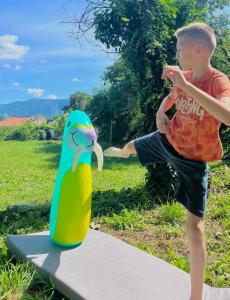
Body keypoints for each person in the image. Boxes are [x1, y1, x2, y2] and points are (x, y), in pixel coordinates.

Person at [103, 22, 230, 300]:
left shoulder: (218, 81)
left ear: (198, 49)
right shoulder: (182, 76)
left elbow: (227, 116)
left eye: (180, 48)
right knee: (128, 148)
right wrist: (161, 112)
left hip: (193, 161)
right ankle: (114, 152)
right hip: (167, 140)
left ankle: (195, 297)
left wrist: (186, 84)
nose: (177, 52)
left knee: (194, 228)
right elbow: (171, 97)